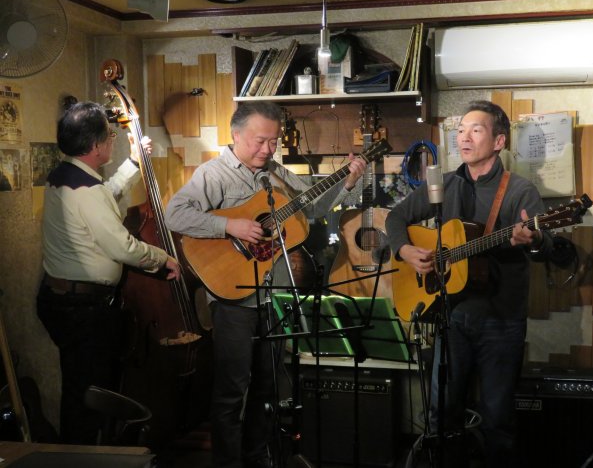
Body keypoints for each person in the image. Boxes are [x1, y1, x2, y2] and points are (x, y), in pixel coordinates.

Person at [165, 101, 366, 468]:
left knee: (268, 387)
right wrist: (230, 226)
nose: (268, 149)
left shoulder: (276, 174)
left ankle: (258, 458)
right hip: (233, 298)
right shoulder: (214, 174)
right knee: (232, 391)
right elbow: (175, 214)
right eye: (260, 141)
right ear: (236, 135)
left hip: (273, 296)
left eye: (273, 141)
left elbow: (312, 209)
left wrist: (347, 182)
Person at [386, 100, 552, 467]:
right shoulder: (443, 185)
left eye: (476, 130)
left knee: (497, 419)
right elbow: (396, 217)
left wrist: (535, 239)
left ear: (499, 141)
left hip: (501, 320)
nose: (464, 137)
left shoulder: (520, 191)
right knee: (440, 414)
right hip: (451, 317)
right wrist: (405, 250)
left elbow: (548, 246)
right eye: (460, 130)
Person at [37, 101, 181, 444]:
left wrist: (133, 162)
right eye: (110, 136)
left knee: (81, 390)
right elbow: (123, 248)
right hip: (82, 309)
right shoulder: (87, 190)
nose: (112, 140)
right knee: (89, 397)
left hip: (65, 300)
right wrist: (162, 258)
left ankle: (83, 453)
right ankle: (84, 457)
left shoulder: (65, 175)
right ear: (95, 145)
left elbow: (105, 196)